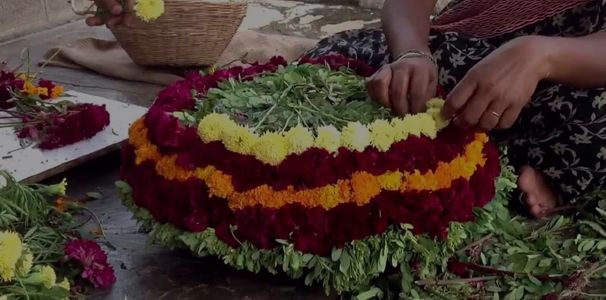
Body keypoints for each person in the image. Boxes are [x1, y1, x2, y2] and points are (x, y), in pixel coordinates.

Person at [304, 0, 606, 217]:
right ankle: (482, 152)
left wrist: (539, 55)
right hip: (468, 55)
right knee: (336, 60)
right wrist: (412, 52)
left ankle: (544, 173)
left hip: (574, 73)